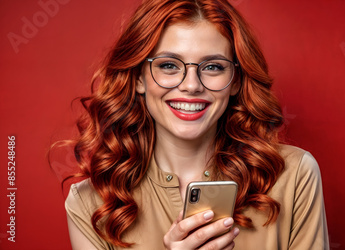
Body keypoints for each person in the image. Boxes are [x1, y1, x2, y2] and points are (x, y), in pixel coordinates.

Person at [64, 0, 329, 249]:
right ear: (138, 78)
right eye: (168, 65)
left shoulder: (294, 175)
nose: (191, 85)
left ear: (235, 80)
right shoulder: (90, 204)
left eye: (213, 67)